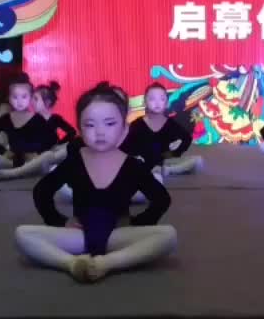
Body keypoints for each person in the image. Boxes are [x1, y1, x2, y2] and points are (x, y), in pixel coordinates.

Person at [15, 82, 176, 282]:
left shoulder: (133, 165)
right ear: (80, 129)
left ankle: (108, 263)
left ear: (124, 129)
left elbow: (161, 199)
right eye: (90, 125)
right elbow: (42, 191)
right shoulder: (74, 161)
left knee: (168, 235)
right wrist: (60, 221)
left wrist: (136, 223)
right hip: (80, 235)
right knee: (22, 234)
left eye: (109, 124)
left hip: (117, 235)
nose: (100, 132)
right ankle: (71, 263)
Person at [0, 73, 56, 180]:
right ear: (9, 98)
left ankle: (12, 174)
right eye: (15, 97)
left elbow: (52, 139)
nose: (19, 101)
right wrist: (3, 151)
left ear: (31, 98)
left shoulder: (37, 119)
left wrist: (36, 151)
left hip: (32, 161)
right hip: (12, 161)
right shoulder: (6, 118)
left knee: (48, 156)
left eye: (24, 97)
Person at [0, 81, 76, 180]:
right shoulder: (32, 119)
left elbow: (72, 132)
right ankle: (22, 169)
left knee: (60, 152)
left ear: (47, 102)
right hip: (33, 154)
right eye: (32, 99)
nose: (32, 102)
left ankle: (15, 172)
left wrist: (59, 143)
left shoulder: (55, 118)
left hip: (50, 152)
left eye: (36, 99)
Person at [121, 82, 202, 177]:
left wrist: (179, 144)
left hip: (164, 160)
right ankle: (160, 171)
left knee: (198, 161)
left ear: (166, 103)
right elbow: (127, 148)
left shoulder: (172, 124)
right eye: (152, 99)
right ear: (144, 102)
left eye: (162, 99)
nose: (157, 103)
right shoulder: (136, 125)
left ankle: (168, 170)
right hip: (143, 161)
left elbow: (185, 140)